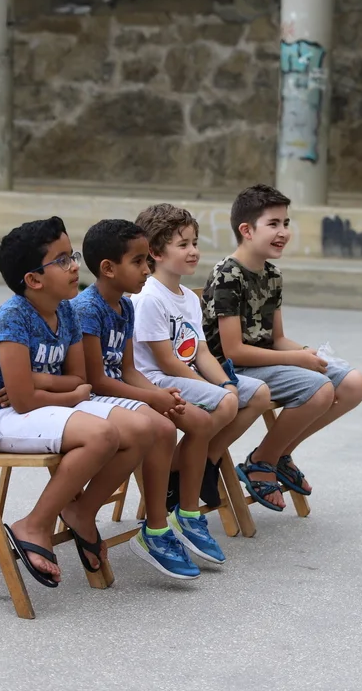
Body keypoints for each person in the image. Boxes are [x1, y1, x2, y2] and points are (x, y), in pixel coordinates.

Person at [0, 216, 154, 587]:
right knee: (102, 434)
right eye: (62, 260)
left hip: (46, 405)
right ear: (34, 280)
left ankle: (82, 511)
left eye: (72, 256)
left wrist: (43, 381)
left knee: (141, 428)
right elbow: (23, 401)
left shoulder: (66, 310)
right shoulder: (12, 319)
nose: (74, 267)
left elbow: (79, 378)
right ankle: (34, 524)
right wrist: (68, 393)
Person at [201, 185, 362, 512]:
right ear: (247, 230)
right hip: (231, 370)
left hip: (266, 362)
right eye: (273, 224)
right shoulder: (228, 275)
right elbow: (233, 351)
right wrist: (296, 359)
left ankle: (279, 454)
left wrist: (307, 353)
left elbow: (277, 339)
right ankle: (261, 461)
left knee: (353, 383)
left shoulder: (272, 275)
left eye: (286, 223)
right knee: (318, 389)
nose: (283, 232)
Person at [75, 218, 227, 569]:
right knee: (163, 427)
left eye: (147, 260)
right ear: (108, 269)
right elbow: (97, 380)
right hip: (96, 396)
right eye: (138, 261)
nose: (147, 269)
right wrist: (151, 397)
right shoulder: (88, 308)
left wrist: (160, 393)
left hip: (123, 390)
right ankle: (156, 528)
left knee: (200, 421)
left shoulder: (125, 306)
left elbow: (129, 370)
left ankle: (187, 514)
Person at [130, 204, 274, 532]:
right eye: (183, 245)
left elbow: (201, 351)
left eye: (194, 242)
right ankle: (177, 473)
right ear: (156, 253)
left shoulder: (189, 298)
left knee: (258, 394)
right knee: (225, 403)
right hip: (156, 380)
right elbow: (166, 360)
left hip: (183, 375)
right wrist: (216, 391)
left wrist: (225, 383)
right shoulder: (149, 298)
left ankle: (202, 463)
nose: (193, 251)